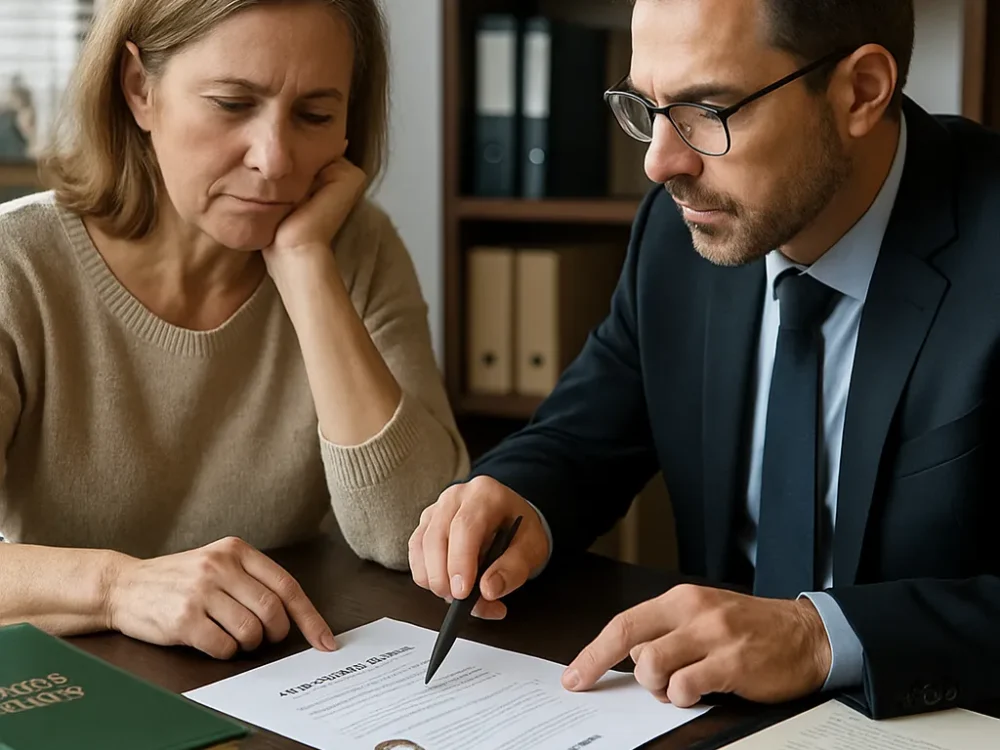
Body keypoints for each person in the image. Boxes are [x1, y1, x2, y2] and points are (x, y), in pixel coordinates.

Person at [411, 0, 1000, 720]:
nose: (660, 162)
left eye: (708, 109)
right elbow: (583, 436)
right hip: (707, 717)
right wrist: (509, 494)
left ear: (861, 91)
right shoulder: (684, 229)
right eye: (646, 106)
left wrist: (821, 639)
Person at [0, 0, 469, 660]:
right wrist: (118, 588)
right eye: (231, 103)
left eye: (314, 115)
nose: (275, 160)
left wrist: (306, 267)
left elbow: (410, 533)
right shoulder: (15, 264)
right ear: (140, 90)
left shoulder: (356, 249)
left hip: (272, 674)